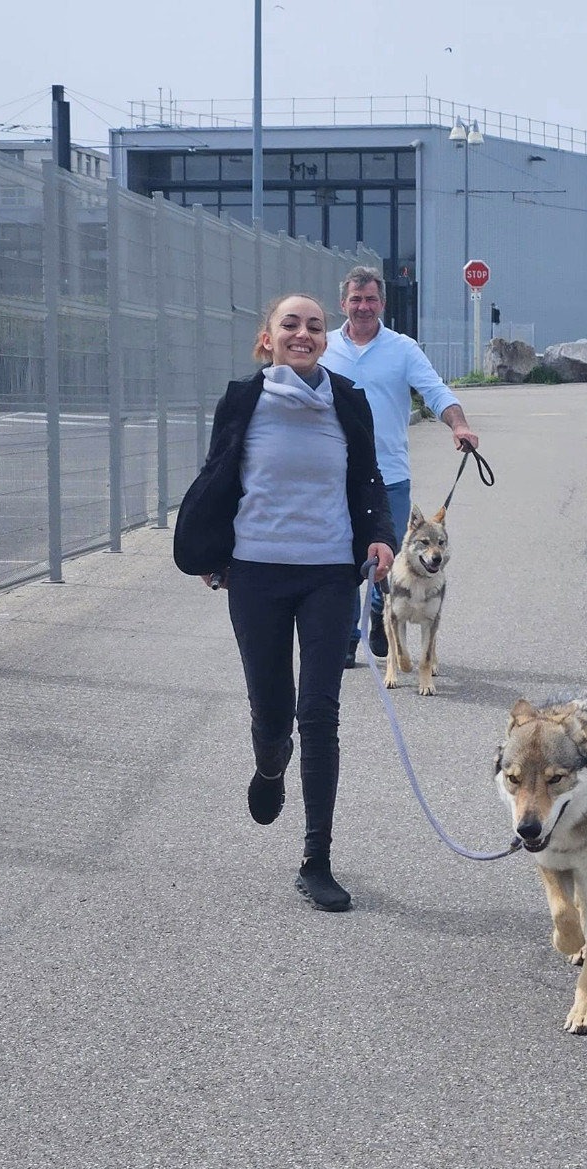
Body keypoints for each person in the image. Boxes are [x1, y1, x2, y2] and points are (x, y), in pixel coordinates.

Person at [173, 293, 397, 912]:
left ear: (326, 339)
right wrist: (211, 550)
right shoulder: (242, 400)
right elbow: (219, 476)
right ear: (267, 338)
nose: (304, 333)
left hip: (329, 574)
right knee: (272, 714)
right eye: (290, 324)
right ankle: (270, 763)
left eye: (315, 326)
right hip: (256, 575)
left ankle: (316, 858)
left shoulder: (346, 400)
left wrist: (379, 536)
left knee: (319, 713)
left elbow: (367, 479)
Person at [318, 265, 478, 666]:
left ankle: (380, 611)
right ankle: (345, 636)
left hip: (388, 475)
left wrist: (459, 425)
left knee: (385, 558)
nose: (364, 307)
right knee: (340, 558)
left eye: (371, 299)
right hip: (332, 474)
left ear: (383, 304)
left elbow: (435, 390)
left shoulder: (402, 348)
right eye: (356, 299)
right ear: (343, 303)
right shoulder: (324, 346)